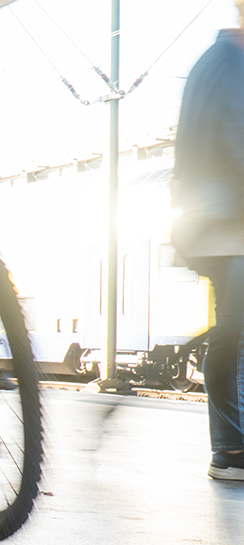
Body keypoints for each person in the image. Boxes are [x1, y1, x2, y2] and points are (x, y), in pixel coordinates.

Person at [172, 2, 244, 481]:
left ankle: (231, 448)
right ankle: (230, 449)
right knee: (234, 333)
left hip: (226, 224)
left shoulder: (221, 60)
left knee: (234, 330)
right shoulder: (226, 63)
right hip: (228, 227)